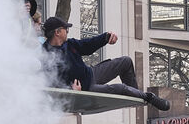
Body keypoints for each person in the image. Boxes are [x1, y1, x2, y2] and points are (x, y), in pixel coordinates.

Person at [41, 17, 171, 111]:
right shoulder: (46, 55)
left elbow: (88, 45)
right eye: (66, 29)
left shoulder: (70, 44)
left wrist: (105, 37)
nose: (67, 32)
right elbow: (51, 83)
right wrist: (71, 92)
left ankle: (136, 96)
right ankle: (149, 97)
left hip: (91, 73)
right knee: (121, 88)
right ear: (57, 32)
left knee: (125, 61)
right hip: (86, 88)